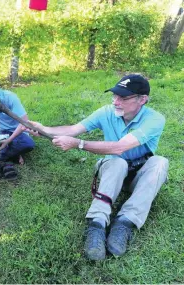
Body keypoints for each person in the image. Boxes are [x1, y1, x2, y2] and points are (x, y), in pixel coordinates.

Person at [24, 74, 169, 260]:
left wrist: (79, 144)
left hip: (137, 177)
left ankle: (125, 222)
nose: (116, 101)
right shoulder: (106, 112)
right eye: (114, 96)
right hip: (112, 170)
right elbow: (72, 130)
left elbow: (119, 147)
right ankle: (97, 224)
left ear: (142, 100)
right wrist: (43, 128)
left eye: (123, 98)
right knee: (117, 161)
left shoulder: (155, 119)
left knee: (160, 162)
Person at [0, 69, 35, 180]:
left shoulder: (10, 97)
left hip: (16, 132)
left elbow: (25, 123)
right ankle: (10, 158)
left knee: (28, 143)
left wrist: (9, 141)